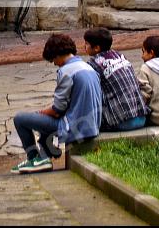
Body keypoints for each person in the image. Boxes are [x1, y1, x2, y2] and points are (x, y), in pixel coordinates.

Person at [11, 33, 102, 174]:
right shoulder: (88, 67)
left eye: (53, 59)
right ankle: (46, 154)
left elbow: (57, 109)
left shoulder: (66, 71)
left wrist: (42, 112)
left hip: (76, 127)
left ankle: (34, 158)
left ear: (58, 55)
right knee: (45, 120)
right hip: (92, 125)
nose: (54, 63)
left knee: (21, 119)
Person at [84, 27, 148, 131]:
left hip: (123, 122)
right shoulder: (119, 55)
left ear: (96, 48)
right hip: (142, 118)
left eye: (86, 44)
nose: (84, 47)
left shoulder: (93, 64)